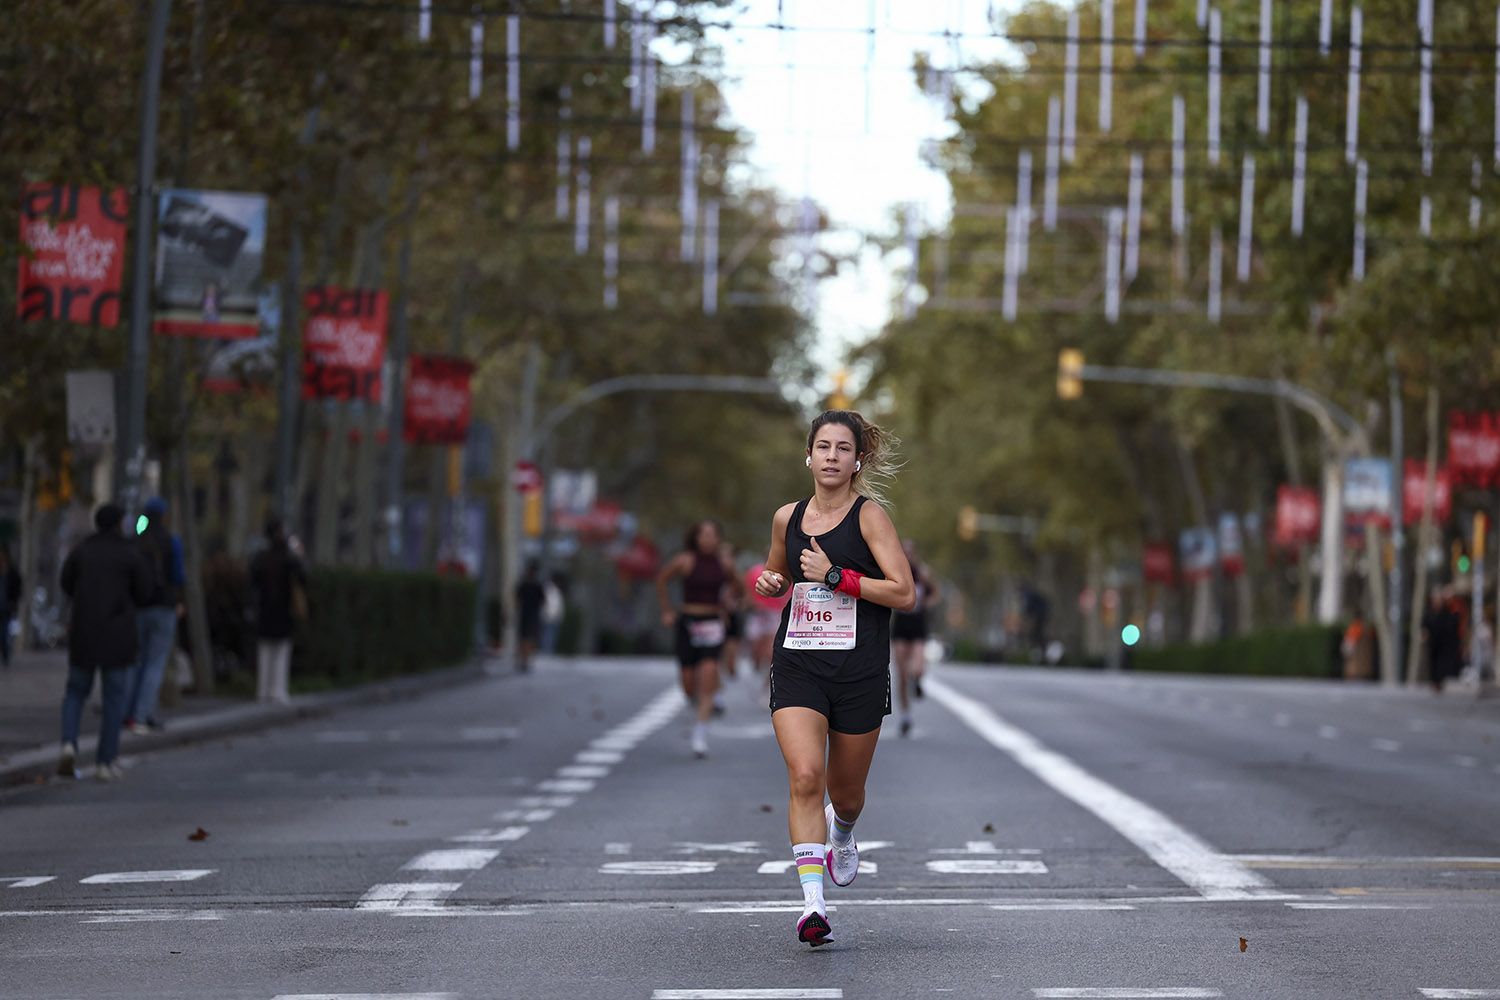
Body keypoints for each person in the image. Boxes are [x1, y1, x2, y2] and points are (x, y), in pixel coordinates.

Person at [752, 409, 914, 947]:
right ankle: (812, 905)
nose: (832, 457)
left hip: (858, 670)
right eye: (823, 447)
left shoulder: (870, 519)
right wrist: (773, 582)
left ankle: (841, 832)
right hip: (798, 661)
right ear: (808, 455)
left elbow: (904, 592)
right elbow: (778, 572)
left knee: (846, 795)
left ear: (856, 461)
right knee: (804, 776)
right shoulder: (787, 517)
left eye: (843, 449)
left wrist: (838, 576)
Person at [58, 503, 153, 780]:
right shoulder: (129, 554)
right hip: (117, 635)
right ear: (119, 523)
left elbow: (66, 583)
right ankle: (105, 760)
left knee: (75, 692)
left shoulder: (82, 551)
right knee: (114, 699)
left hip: (84, 632)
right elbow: (144, 592)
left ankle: (68, 743)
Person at [657, 519, 734, 758]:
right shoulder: (685, 560)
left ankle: (700, 735)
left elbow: (739, 586)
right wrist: (667, 610)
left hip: (713, 623)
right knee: (688, 682)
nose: (709, 539)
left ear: (718, 538)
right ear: (696, 538)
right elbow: (661, 580)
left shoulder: (724, 563)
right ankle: (697, 701)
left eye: (713, 535)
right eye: (704, 535)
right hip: (688, 623)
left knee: (709, 673)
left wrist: (729, 603)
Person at [125, 496, 184, 733]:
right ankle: (142, 714)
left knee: (136, 661)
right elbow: (178, 575)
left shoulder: (137, 541)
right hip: (163, 606)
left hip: (138, 606)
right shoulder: (171, 541)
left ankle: (128, 711)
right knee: (155, 662)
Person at [249, 518, 306, 704]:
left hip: (265, 610)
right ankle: (278, 689)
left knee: (265, 651)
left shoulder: (260, 557)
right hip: (282, 610)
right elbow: (303, 578)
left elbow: (252, 582)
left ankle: (263, 689)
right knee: (281, 652)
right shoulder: (288, 558)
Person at [891, 539, 940, 737]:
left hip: (918, 624)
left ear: (914, 554)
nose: (908, 555)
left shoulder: (923, 572)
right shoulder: (894, 571)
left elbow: (935, 593)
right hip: (901, 625)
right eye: (904, 552)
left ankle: (917, 680)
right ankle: (905, 715)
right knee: (901, 674)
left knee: (918, 667)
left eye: (910, 552)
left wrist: (925, 604)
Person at [743, 559, 789, 680]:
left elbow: (786, 595)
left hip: (774, 614)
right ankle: (756, 670)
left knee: (770, 648)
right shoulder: (754, 571)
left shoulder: (784, 573)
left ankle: (769, 678)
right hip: (757, 614)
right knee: (756, 646)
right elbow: (748, 593)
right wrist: (753, 604)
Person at [1423, 587, 1463, 693]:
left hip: (1444, 643)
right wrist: (1424, 633)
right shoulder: (1429, 612)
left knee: (1441, 663)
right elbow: (1425, 624)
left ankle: (1439, 681)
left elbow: (1454, 621)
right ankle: (1435, 681)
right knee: (1433, 662)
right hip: (1433, 642)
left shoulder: (1447, 611)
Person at [515, 561, 546, 672]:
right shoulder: (534, 585)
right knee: (527, 638)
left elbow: (517, 598)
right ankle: (525, 659)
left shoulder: (531, 585)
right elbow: (543, 601)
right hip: (530, 615)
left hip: (528, 614)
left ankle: (525, 659)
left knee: (526, 638)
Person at [0, 545, 20, 668]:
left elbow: (18, 587)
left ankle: (6, 655)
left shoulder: (12, 572)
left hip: (6, 608)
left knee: (4, 634)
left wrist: (13, 602)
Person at [540, 573, 565, 655]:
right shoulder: (548, 589)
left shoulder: (556, 590)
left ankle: (549, 650)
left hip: (554, 617)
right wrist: (546, 613)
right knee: (547, 635)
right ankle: (546, 650)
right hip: (549, 616)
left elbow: (558, 606)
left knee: (552, 635)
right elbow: (547, 604)